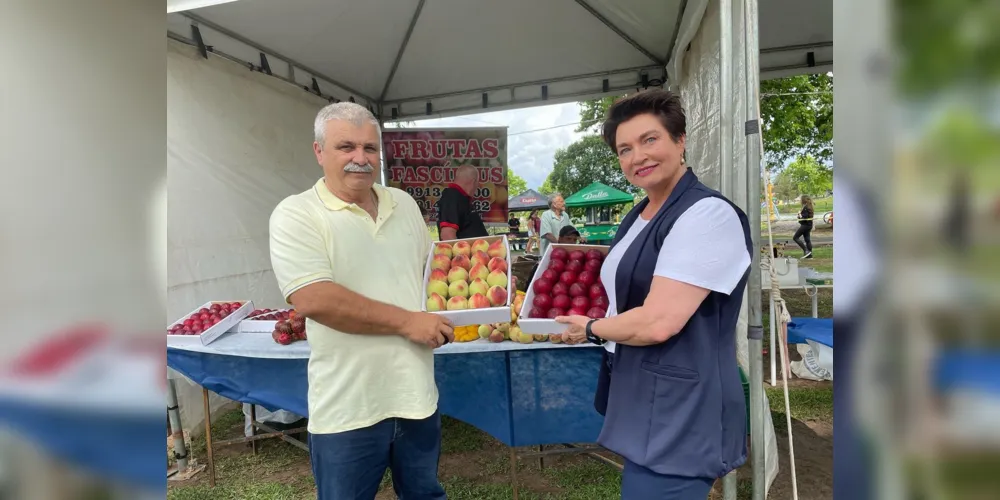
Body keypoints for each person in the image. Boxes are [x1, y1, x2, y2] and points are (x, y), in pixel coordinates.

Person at [555, 89, 752, 499]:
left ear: (680, 140)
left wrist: (593, 327)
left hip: (682, 408)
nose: (637, 156)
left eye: (649, 140)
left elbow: (660, 320)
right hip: (645, 398)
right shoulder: (640, 214)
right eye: (624, 149)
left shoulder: (708, 215)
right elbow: (626, 295)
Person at [269, 102, 452, 500]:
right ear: (319, 152)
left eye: (370, 149)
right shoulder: (297, 214)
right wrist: (407, 322)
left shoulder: (403, 204)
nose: (360, 159)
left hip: (416, 395)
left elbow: (427, 277)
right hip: (347, 408)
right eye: (345, 147)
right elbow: (316, 298)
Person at [437, 164, 488, 240]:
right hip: (466, 251)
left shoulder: (460, 198)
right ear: (473, 182)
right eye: (478, 183)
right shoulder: (452, 196)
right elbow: (447, 235)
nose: (477, 186)